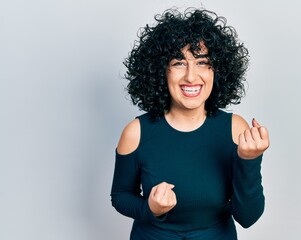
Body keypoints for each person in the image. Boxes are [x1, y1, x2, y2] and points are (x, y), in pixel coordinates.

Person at [111, 8, 270, 240]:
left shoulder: (235, 128)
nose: (191, 76)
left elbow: (248, 217)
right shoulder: (136, 132)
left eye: (202, 62)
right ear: (160, 71)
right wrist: (150, 210)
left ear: (217, 70)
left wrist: (250, 160)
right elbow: (121, 195)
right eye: (178, 63)